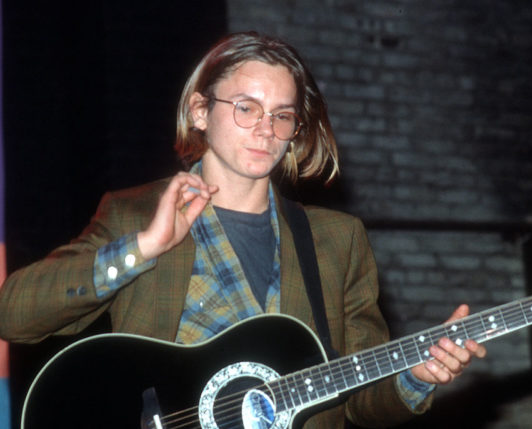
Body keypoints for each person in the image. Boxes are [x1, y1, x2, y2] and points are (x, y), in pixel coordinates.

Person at [0, 32, 486, 428]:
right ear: (199, 111)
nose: (265, 130)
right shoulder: (135, 213)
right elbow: (14, 315)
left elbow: (359, 400)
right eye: (247, 107)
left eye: (282, 116)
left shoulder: (338, 238)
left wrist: (415, 376)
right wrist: (146, 246)